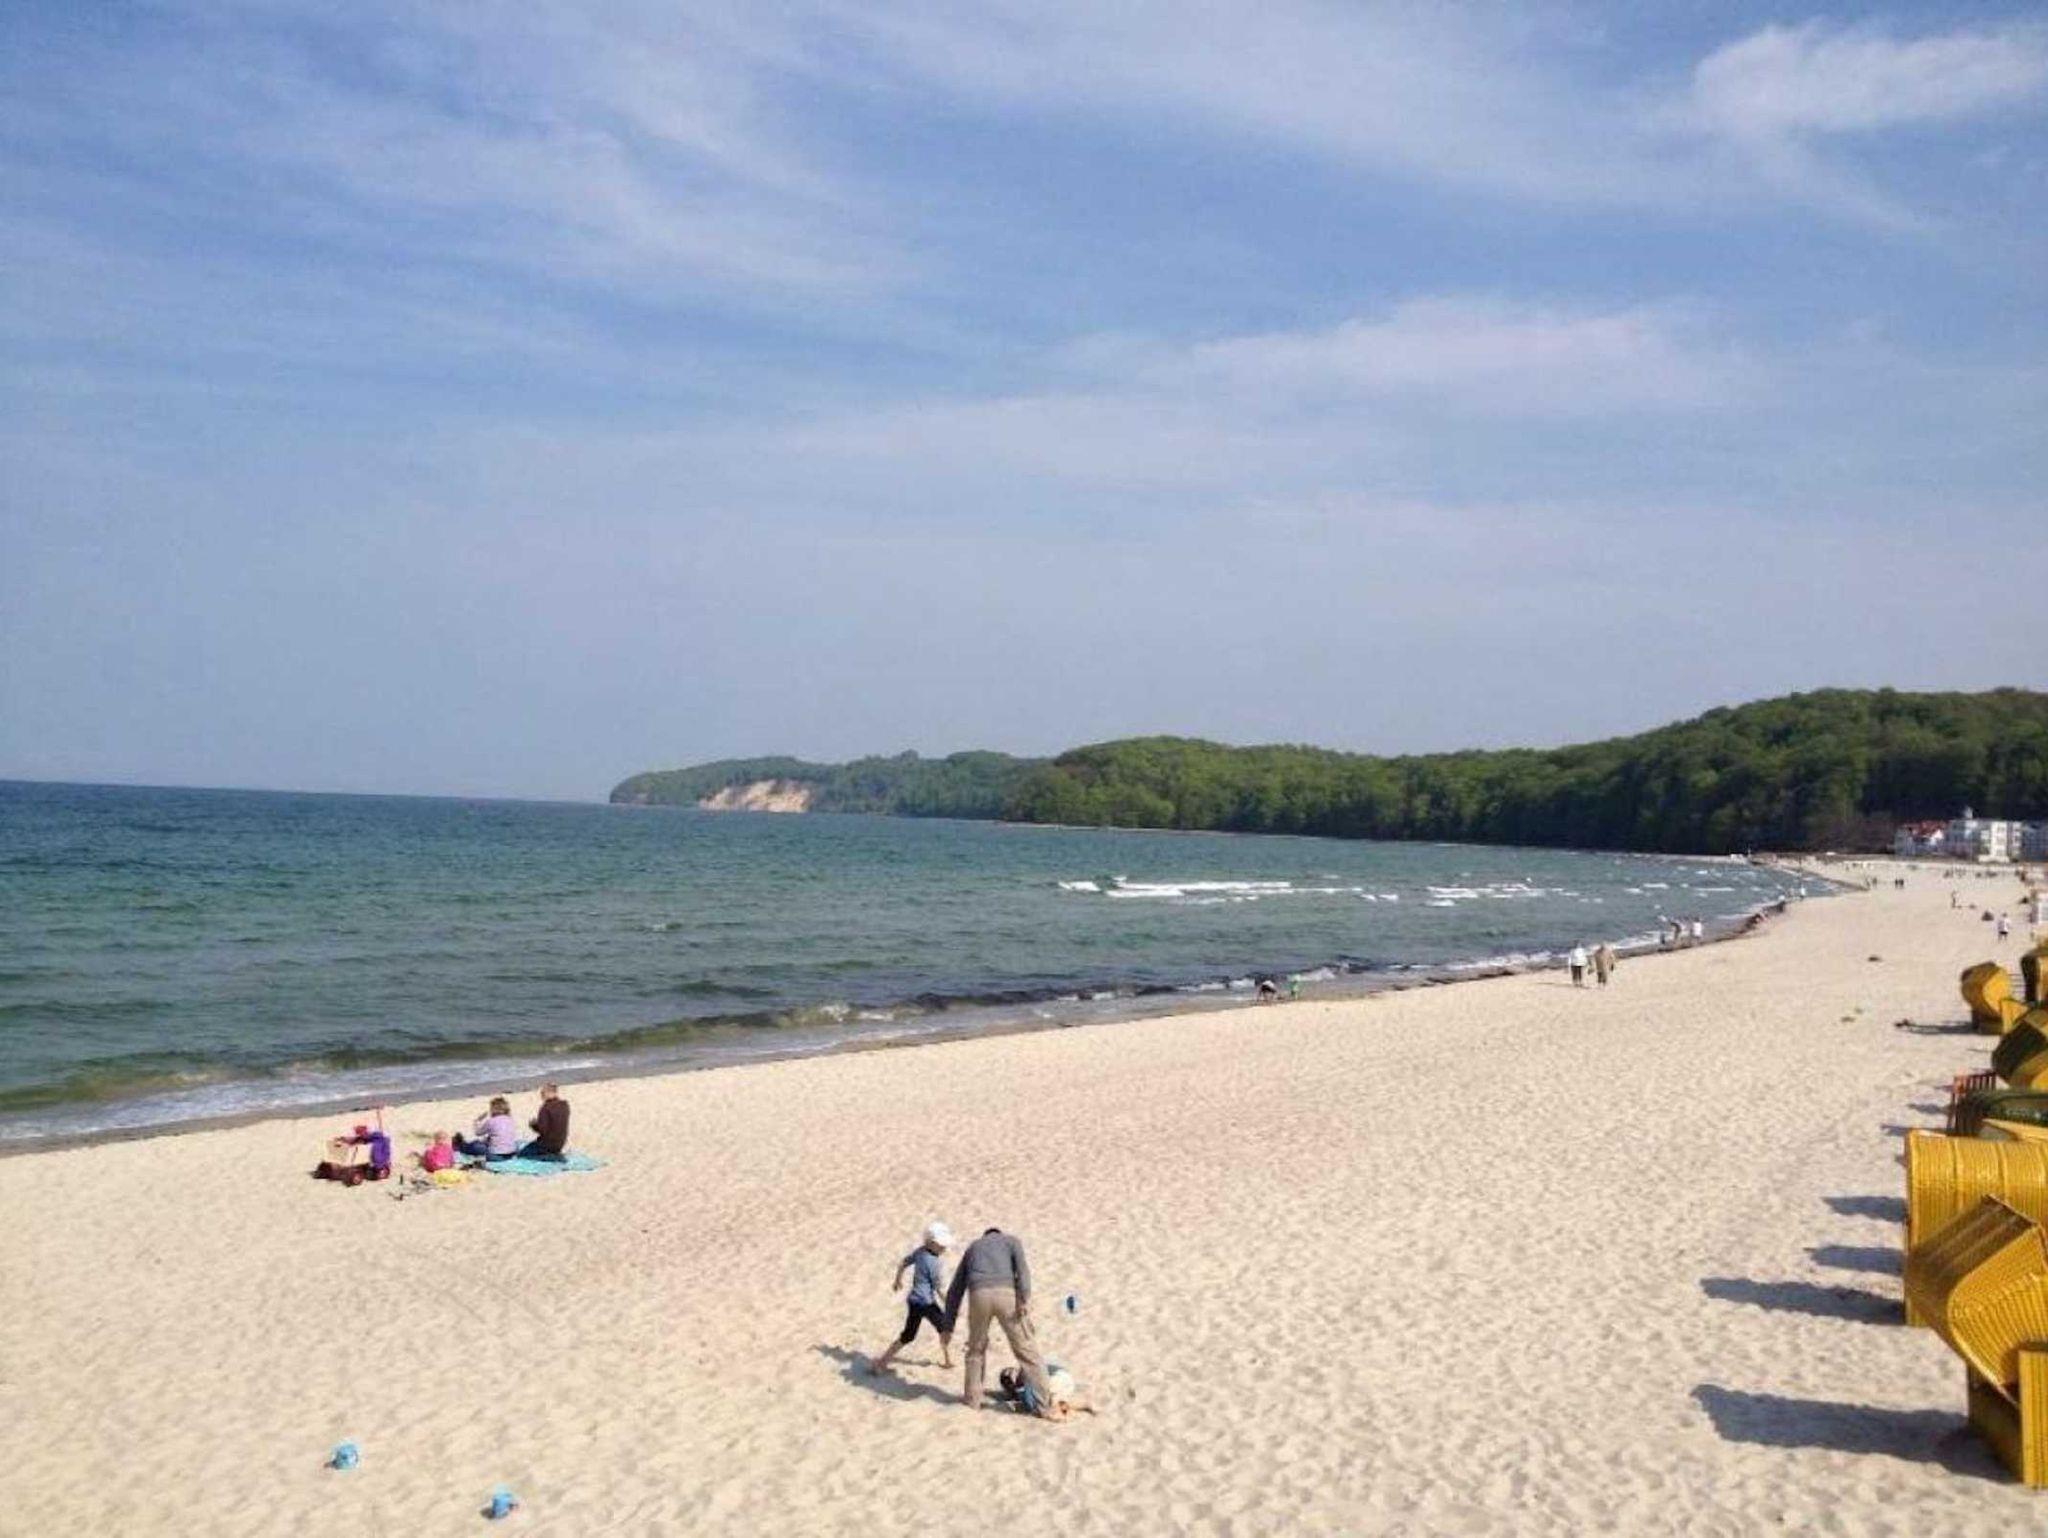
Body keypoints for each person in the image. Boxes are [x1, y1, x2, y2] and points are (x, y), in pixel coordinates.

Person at [941, 1227, 1054, 1415]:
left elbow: (955, 1289)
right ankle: (1044, 1406)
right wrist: (1024, 1298)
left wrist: (948, 1325)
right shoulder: (1012, 1241)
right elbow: (1023, 1272)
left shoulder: (973, 1247)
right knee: (1027, 1351)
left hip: (978, 1296)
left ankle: (972, 1402)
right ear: (999, 1234)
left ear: (985, 1236)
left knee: (975, 1351)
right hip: (1006, 1295)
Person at [870, 1221, 955, 1375]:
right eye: (941, 1245)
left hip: (914, 1301)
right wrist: (949, 1305)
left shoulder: (920, 1251)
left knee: (908, 1335)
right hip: (927, 1303)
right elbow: (938, 1288)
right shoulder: (935, 1263)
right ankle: (947, 1361)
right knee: (945, 1329)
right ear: (930, 1243)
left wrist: (897, 1280)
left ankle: (882, 1362)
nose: (944, 1248)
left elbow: (903, 1263)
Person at [453, 1096, 521, 1161]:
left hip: (496, 1156)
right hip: (511, 1154)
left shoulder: (491, 1121)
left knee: (476, 1145)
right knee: (486, 1142)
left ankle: (460, 1145)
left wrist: (477, 1121)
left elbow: (477, 1133)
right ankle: (462, 1143)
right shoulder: (510, 1120)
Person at [519, 1083, 570, 1161]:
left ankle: (550, 1157)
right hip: (560, 1143)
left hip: (547, 1145)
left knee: (522, 1154)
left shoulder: (546, 1108)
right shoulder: (564, 1105)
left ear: (549, 1093)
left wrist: (533, 1125)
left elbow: (543, 1130)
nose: (541, 1095)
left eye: (543, 1093)